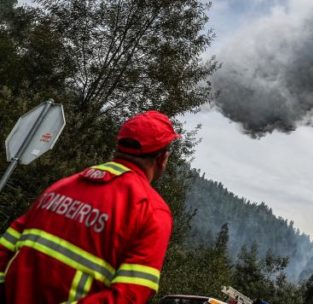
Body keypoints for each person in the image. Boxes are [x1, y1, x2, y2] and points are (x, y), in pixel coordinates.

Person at [0, 110, 181, 303]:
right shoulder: (151, 211)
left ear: (119, 147)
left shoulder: (61, 187)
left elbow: (6, 246)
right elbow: (129, 296)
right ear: (162, 159)